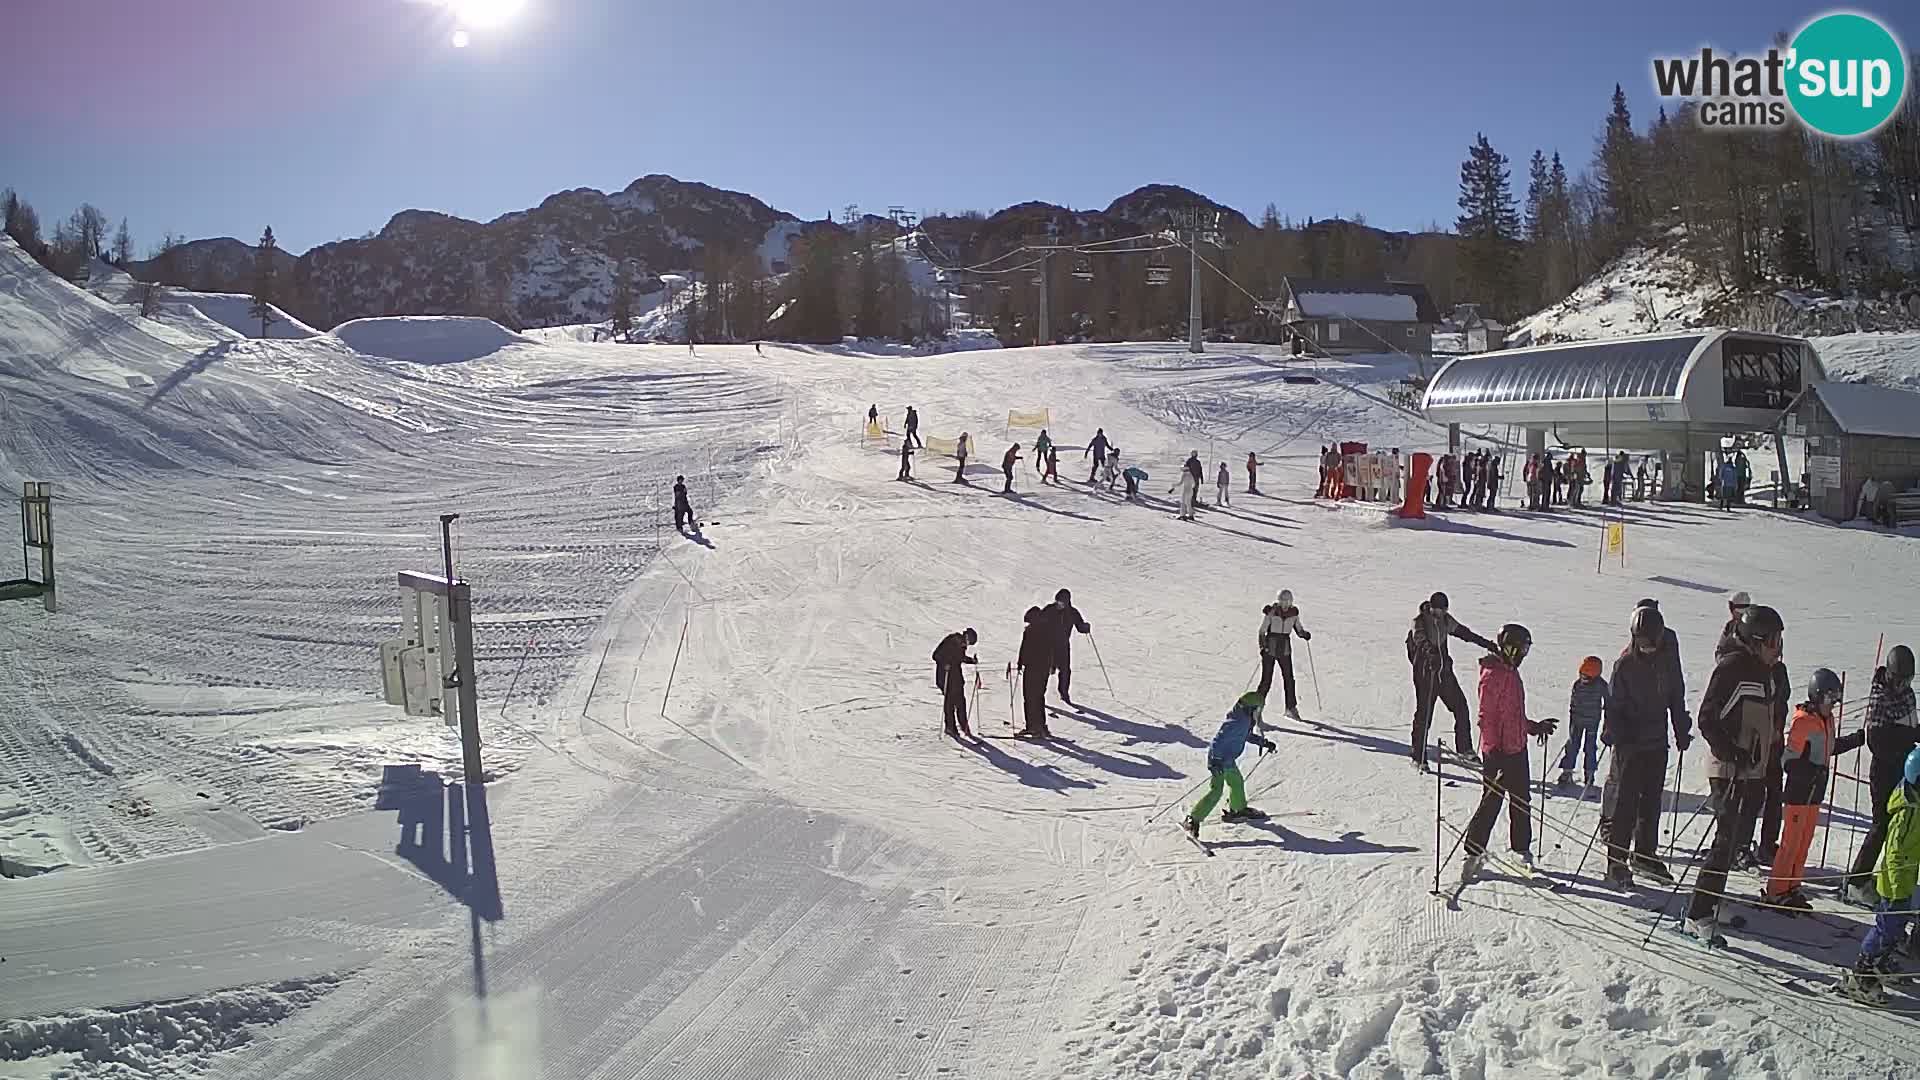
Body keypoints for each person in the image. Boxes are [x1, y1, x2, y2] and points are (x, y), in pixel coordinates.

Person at [1686, 604, 1786, 946]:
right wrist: (1733, 753)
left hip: (1751, 769)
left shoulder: (1764, 670)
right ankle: (1697, 913)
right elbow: (1707, 719)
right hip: (1728, 767)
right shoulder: (1732, 667)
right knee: (1725, 840)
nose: (1779, 647)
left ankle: (1712, 899)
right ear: (1757, 640)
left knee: (1736, 840)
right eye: (1774, 640)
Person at [1459, 625, 1557, 883]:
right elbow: (1486, 719)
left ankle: (1521, 850)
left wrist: (1534, 727)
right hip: (1499, 754)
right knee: (1491, 802)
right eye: (1520, 649)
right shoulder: (1492, 675)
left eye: (1526, 649)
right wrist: (1493, 751)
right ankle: (1473, 851)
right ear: (1509, 647)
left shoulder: (1510, 672)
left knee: (1522, 801)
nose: (1523, 654)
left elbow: (1512, 715)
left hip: (1517, 749)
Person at [1601, 606, 1690, 885]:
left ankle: (1645, 854)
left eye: (1651, 641)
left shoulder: (1668, 659)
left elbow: (1676, 695)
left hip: (1656, 742)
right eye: (1641, 641)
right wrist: (1616, 735)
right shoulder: (1625, 664)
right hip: (1630, 744)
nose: (1647, 647)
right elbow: (1613, 706)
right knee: (1626, 804)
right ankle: (1616, 862)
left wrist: (1680, 728)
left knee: (1651, 802)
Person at [1767, 668, 1863, 908]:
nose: (1832, 706)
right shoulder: (1803, 722)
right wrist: (1811, 771)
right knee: (1790, 844)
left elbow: (1829, 748)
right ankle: (1776, 890)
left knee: (1803, 844)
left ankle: (1792, 886)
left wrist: (1858, 739)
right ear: (1818, 696)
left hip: (1814, 794)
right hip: (1799, 794)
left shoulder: (1825, 720)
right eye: (1830, 700)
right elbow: (1788, 760)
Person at [1837, 746, 1920, 1005]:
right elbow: (1895, 851)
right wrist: (1896, 886)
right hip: (1896, 881)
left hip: (1905, 880)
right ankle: (1862, 972)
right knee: (1887, 927)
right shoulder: (1907, 811)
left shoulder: (1916, 804)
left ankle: (1880, 964)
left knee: (1895, 928)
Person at [1848, 644, 1918, 906]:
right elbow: (1876, 741)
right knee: (1881, 825)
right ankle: (1857, 881)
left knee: (1901, 827)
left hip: (1904, 767)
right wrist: (1906, 742)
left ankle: (1890, 875)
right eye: (1898, 679)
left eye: (1907, 680)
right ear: (1889, 674)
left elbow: (1909, 728)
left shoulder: (1908, 696)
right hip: (1885, 769)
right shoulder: (1881, 698)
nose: (1902, 685)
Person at [1406, 591, 1497, 771]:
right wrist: (1429, 652)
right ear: (1431, 608)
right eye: (1438, 610)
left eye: (1443, 610)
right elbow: (1420, 640)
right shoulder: (1420, 621)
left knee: (1461, 707)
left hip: (1444, 674)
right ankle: (1419, 757)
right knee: (1424, 715)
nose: (1441, 614)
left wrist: (1487, 644)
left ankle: (1464, 749)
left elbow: (1464, 633)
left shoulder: (1446, 620)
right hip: (1426, 675)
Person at [1182, 692, 1278, 840]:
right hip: (1219, 760)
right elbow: (1217, 741)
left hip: (1227, 760)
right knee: (1216, 791)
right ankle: (1192, 819)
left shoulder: (1244, 719)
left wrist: (1263, 742)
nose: (1258, 713)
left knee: (1236, 782)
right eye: (1258, 710)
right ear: (1251, 708)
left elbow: (1246, 735)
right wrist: (1214, 761)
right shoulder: (1236, 722)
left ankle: (1237, 810)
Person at [1257, 590, 1311, 719]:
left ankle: (1291, 708)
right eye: (1282, 601)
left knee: (1289, 678)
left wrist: (1304, 634)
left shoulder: (1293, 614)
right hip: (1270, 648)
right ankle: (1256, 708)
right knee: (1266, 680)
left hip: (1285, 649)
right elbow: (1262, 631)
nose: (1285, 604)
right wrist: (1263, 647)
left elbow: (1298, 629)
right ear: (1279, 601)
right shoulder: (1271, 613)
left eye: (1287, 601)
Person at [1557, 656, 1608, 791]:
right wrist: (1573, 716)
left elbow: (1609, 700)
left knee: (1590, 747)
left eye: (1587, 677)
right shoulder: (1577, 684)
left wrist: (1609, 718)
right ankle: (1567, 771)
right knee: (1573, 745)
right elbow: (1573, 702)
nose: (1584, 679)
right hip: (1577, 721)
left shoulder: (1601, 685)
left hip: (1592, 722)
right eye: (1582, 675)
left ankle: (1589, 774)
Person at [1044, 588, 1090, 707]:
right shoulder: (1049, 609)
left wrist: (1085, 627)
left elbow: (1079, 626)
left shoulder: (1072, 613)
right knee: (1044, 670)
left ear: (1067, 602)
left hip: (1063, 646)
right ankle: (1039, 693)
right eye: (1058, 602)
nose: (1059, 604)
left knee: (1065, 671)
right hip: (1048, 646)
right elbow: (1039, 621)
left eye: (1062, 603)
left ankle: (1064, 693)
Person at [932, 628, 978, 738]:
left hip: (956, 677)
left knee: (961, 702)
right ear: (966, 637)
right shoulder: (952, 640)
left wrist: (972, 661)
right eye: (968, 642)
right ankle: (950, 727)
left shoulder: (961, 645)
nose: (967, 645)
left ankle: (964, 726)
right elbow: (936, 655)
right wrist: (945, 663)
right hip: (946, 676)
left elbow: (959, 658)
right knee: (950, 703)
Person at [1015, 607, 1054, 738]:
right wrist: (1051, 665)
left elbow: (1024, 648)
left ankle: (1033, 727)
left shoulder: (1031, 631)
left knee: (1031, 697)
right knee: (1038, 697)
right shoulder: (1047, 630)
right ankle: (1040, 726)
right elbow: (1051, 650)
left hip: (1033, 669)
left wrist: (1020, 663)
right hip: (1042, 669)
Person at [1173, 452, 1201, 520]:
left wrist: (1174, 485)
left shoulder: (1184, 475)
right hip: (1190, 491)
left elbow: (1180, 483)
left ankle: (1182, 515)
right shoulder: (1191, 475)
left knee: (1183, 503)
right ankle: (1191, 515)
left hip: (1185, 490)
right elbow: (1194, 484)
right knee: (1188, 503)